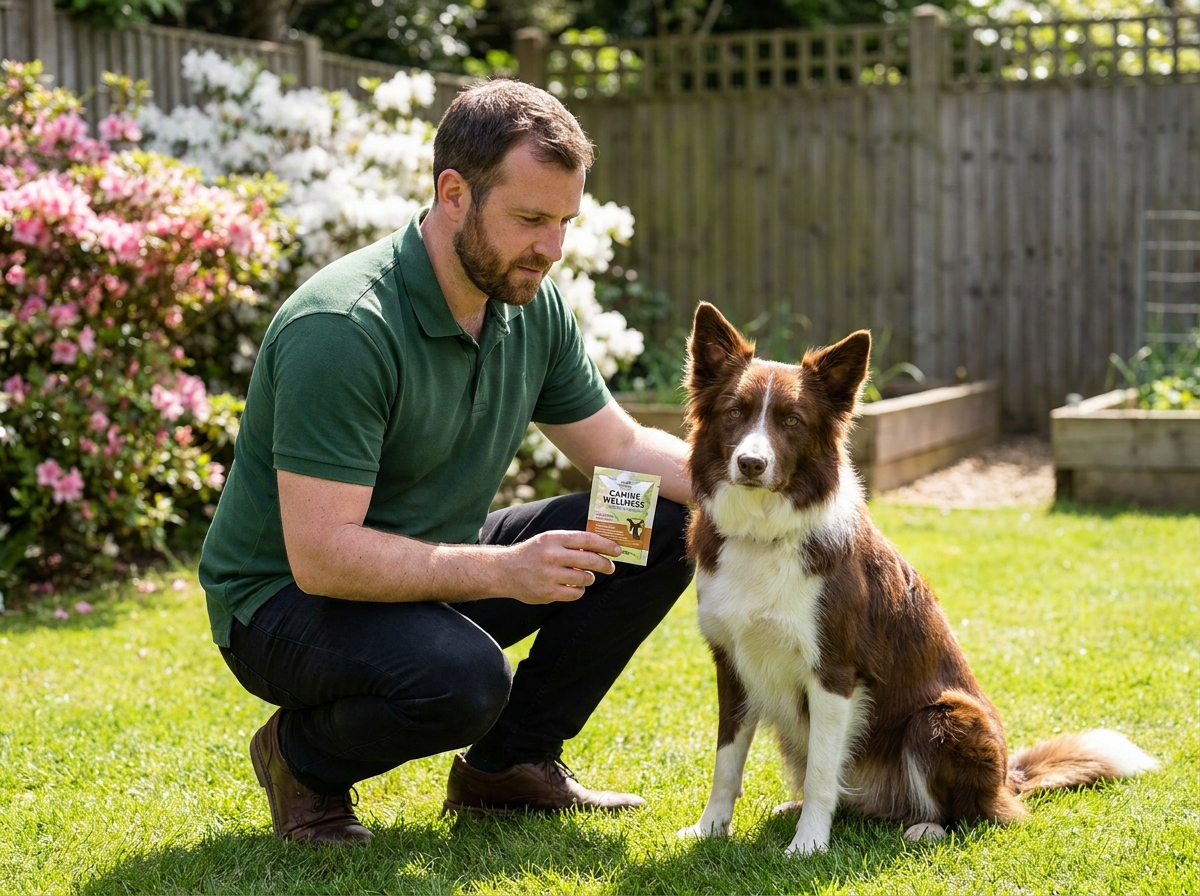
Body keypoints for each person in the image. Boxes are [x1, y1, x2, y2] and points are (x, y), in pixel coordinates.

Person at [197, 78, 693, 846]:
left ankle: (509, 767)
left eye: (564, 221)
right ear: (453, 193)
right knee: (464, 678)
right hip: (283, 605)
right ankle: (301, 760)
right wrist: (504, 572)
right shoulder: (344, 327)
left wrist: (796, 495)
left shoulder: (529, 302)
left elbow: (622, 449)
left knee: (659, 520)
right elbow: (323, 556)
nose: (552, 249)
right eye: (530, 219)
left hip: (428, 567)